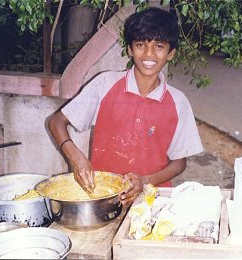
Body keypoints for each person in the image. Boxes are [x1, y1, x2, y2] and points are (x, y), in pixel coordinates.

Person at [48, 7, 203, 206]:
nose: (149, 54)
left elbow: (179, 162)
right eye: (140, 45)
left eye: (159, 46)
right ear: (130, 49)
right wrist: (76, 157)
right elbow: (56, 122)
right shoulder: (105, 84)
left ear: (171, 53)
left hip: (154, 203)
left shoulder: (178, 102)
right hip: (104, 198)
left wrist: (145, 181)